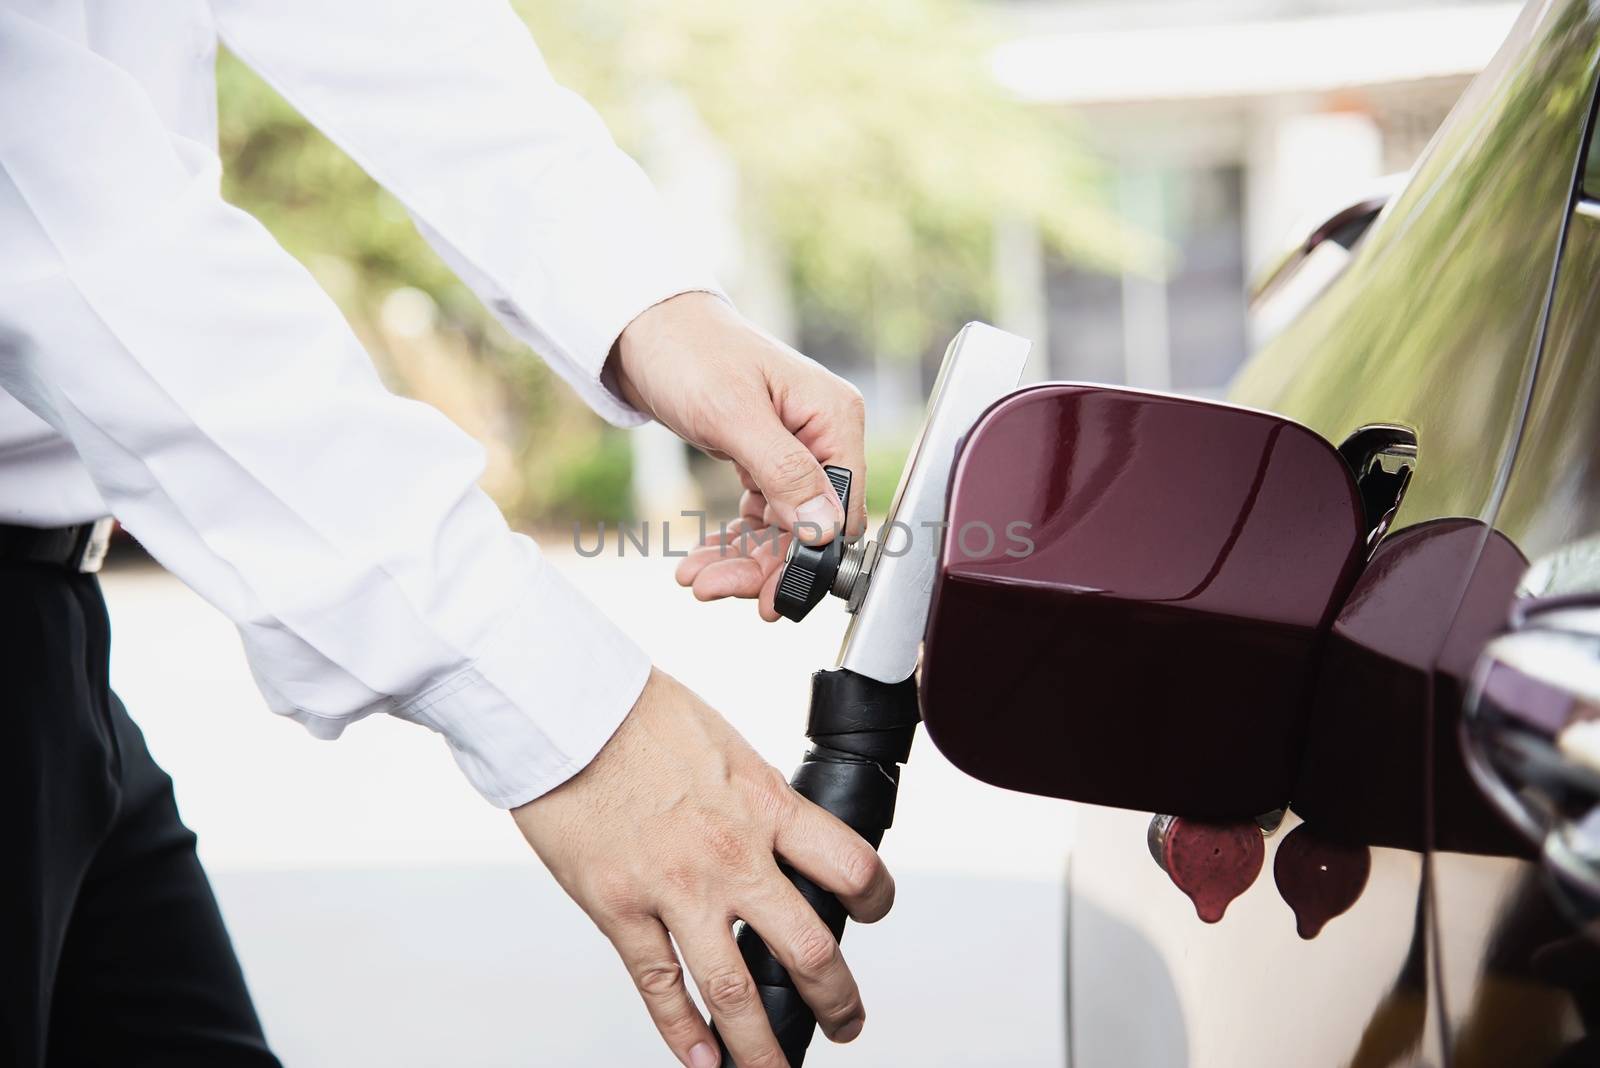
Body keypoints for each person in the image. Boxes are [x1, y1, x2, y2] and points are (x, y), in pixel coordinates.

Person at [0, 4, 894, 1067]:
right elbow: (44, 197)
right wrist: (561, 708)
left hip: (53, 642)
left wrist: (650, 309)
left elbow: (393, 30)